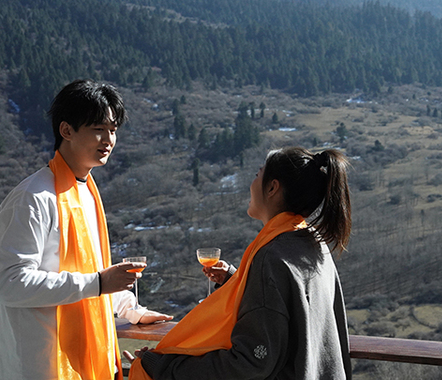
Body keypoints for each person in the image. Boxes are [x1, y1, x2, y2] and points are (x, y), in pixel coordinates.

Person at [0, 79, 173, 380]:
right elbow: (8, 283)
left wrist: (131, 310)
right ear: (67, 130)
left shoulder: (86, 192)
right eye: (98, 129)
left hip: (85, 363)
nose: (109, 140)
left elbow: (90, 273)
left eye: (113, 130)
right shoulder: (33, 198)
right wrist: (99, 283)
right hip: (40, 366)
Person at [127, 146, 353, 379]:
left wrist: (162, 367)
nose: (252, 183)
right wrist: (237, 281)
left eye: (258, 175)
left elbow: (249, 363)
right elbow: (291, 312)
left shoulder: (271, 257)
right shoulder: (313, 243)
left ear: (273, 188)